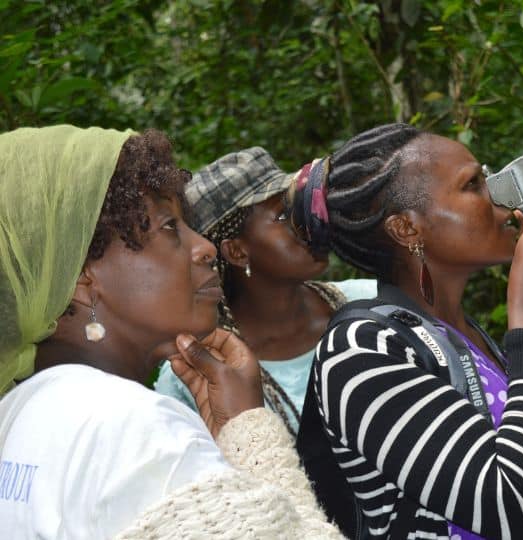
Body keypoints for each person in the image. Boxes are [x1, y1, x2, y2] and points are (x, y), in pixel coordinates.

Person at [292, 123, 523, 539]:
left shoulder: (459, 335)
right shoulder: (361, 350)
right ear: (407, 229)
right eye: (473, 184)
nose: (500, 195)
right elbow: (516, 514)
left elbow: (514, 486)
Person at [0, 126, 342, 539]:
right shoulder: (139, 430)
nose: (205, 248)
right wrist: (250, 433)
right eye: (169, 228)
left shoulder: (17, 413)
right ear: (83, 275)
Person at [155, 148, 376, 436]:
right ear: (236, 251)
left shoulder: (369, 303)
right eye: (284, 216)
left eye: (300, 207)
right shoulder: (198, 374)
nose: (306, 222)